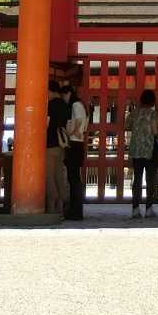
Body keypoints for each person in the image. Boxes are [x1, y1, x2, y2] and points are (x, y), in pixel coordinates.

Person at [125, 89, 158, 219]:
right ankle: (149, 208)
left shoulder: (134, 113)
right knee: (150, 180)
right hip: (149, 149)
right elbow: (155, 131)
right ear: (152, 101)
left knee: (137, 180)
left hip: (136, 149)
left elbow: (127, 125)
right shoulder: (153, 114)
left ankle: (135, 209)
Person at [63, 82, 90, 221]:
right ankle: (75, 209)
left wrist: (70, 133)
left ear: (68, 94)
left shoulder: (75, 105)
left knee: (73, 179)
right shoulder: (80, 105)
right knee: (74, 178)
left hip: (74, 142)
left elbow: (79, 121)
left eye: (64, 95)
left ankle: (76, 210)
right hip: (78, 142)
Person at [45, 78, 70, 217]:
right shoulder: (66, 105)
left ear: (50, 91)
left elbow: (46, 125)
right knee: (59, 175)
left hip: (49, 144)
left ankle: (51, 206)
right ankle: (61, 205)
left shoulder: (49, 106)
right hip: (62, 144)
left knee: (49, 176)